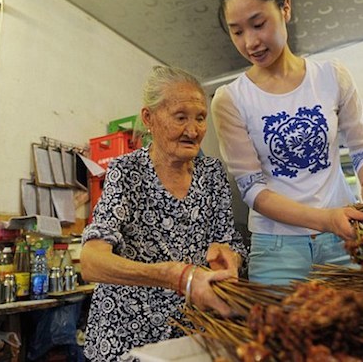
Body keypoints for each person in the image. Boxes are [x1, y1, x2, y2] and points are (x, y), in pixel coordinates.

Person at [211, 0, 363, 286]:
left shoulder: (332, 76)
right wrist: (324, 219)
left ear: (285, 8)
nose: (251, 42)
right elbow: (253, 190)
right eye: (237, 32)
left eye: (259, 24)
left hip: (345, 238)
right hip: (277, 250)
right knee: (282, 334)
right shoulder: (230, 99)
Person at [80, 65, 247, 361]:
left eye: (200, 118)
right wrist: (174, 276)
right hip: (126, 337)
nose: (194, 131)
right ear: (149, 118)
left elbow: (230, 241)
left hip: (190, 334)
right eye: (181, 117)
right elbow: (91, 262)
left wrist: (230, 257)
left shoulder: (212, 174)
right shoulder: (127, 172)